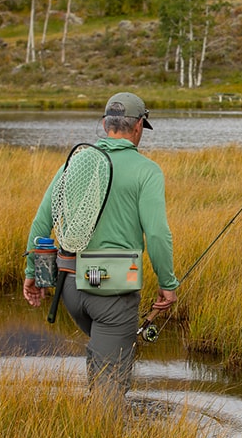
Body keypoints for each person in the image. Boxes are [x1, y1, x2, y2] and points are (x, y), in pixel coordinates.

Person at [23, 91, 179, 397]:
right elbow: (158, 234)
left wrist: (33, 272)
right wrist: (167, 283)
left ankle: (92, 429)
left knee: (102, 363)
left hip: (69, 288)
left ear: (106, 125)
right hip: (112, 290)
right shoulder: (147, 170)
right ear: (138, 127)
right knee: (111, 383)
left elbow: (42, 222)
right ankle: (100, 436)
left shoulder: (76, 163)